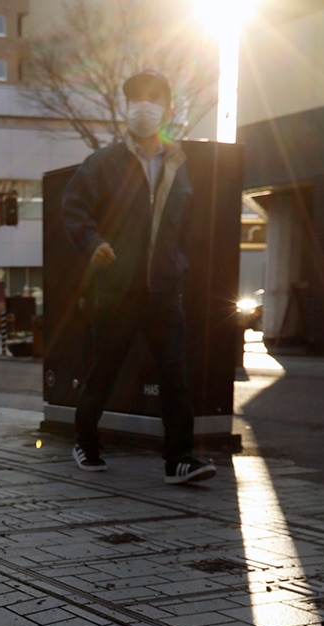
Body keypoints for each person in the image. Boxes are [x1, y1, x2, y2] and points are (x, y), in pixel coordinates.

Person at [61, 69, 216, 485]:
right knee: (105, 369)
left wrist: (179, 264)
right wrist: (93, 243)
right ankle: (86, 442)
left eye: (152, 98)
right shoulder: (104, 162)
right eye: (134, 98)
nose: (141, 106)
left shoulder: (179, 164)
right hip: (115, 290)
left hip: (164, 290)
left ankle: (179, 459)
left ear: (167, 109)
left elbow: (187, 226)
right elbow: (73, 207)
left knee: (175, 374)